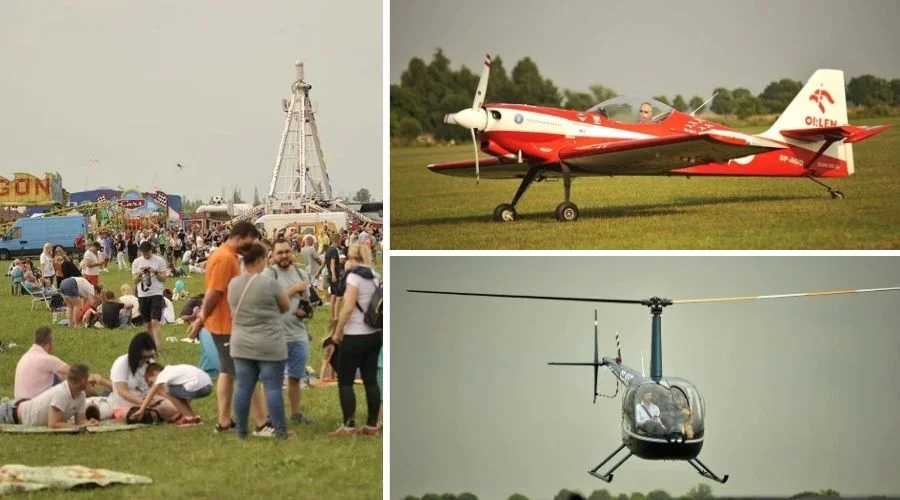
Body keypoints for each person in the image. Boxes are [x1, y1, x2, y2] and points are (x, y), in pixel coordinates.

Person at [188, 221, 274, 435]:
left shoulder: (227, 256)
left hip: (224, 324)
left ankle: (224, 421)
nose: (252, 248)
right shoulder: (225, 258)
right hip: (225, 326)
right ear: (242, 236)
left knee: (226, 372)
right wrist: (200, 319)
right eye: (251, 242)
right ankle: (262, 424)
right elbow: (214, 293)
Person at [228, 242, 293, 440]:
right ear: (258, 260)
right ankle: (281, 433)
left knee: (243, 388)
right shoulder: (268, 283)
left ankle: (241, 432)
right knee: (272, 388)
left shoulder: (233, 283)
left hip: (241, 343)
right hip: (269, 342)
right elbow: (285, 306)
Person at [330, 243, 382, 436]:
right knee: (370, 380)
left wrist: (337, 332)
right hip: (374, 334)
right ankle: (371, 424)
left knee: (345, 380)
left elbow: (349, 306)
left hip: (355, 334)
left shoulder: (354, 277)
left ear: (352, 258)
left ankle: (349, 425)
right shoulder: (376, 277)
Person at [267, 238, 314, 424]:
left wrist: (306, 313)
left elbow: (306, 302)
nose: (284, 255)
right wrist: (293, 289)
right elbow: (268, 303)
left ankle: (295, 414)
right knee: (273, 380)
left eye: (287, 251)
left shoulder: (302, 274)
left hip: (298, 333)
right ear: (272, 255)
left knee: (296, 377)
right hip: (275, 335)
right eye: (280, 252)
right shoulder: (269, 275)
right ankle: (271, 416)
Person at [0, 364, 99, 430]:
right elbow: (53, 424)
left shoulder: (81, 395)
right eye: (88, 378)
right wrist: (77, 427)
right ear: (82, 381)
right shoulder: (62, 393)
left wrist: (88, 423)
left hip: (19, 409)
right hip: (10, 413)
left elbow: (80, 420)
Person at [107, 332, 178, 423]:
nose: (147, 360)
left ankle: (161, 414)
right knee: (145, 416)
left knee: (174, 407)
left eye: (149, 356)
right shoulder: (122, 363)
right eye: (144, 357)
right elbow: (122, 391)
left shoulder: (150, 363)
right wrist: (144, 404)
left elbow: (158, 386)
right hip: (125, 403)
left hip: (149, 400)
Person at [131, 363, 212, 426]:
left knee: (169, 391)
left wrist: (141, 409)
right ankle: (194, 418)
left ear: (154, 373)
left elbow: (152, 391)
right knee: (173, 390)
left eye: (151, 382)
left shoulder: (163, 374)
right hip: (207, 385)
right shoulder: (174, 372)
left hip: (199, 386)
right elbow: (184, 399)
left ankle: (189, 418)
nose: (154, 385)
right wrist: (179, 413)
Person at [131, 241, 168, 349]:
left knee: (155, 321)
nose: (145, 255)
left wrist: (155, 272)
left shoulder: (159, 260)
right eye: (143, 253)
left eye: (147, 252)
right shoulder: (136, 262)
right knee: (147, 324)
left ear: (151, 250)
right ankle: (151, 344)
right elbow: (134, 281)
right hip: (142, 295)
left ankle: (157, 347)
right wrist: (140, 274)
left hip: (156, 293)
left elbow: (164, 278)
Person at [323, 235, 343, 322]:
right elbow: (332, 263)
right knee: (339, 296)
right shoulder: (334, 250)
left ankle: (332, 316)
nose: (340, 243)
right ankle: (336, 317)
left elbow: (324, 262)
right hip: (334, 276)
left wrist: (318, 272)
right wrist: (334, 275)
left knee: (333, 296)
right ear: (337, 240)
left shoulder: (328, 249)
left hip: (329, 276)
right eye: (340, 241)